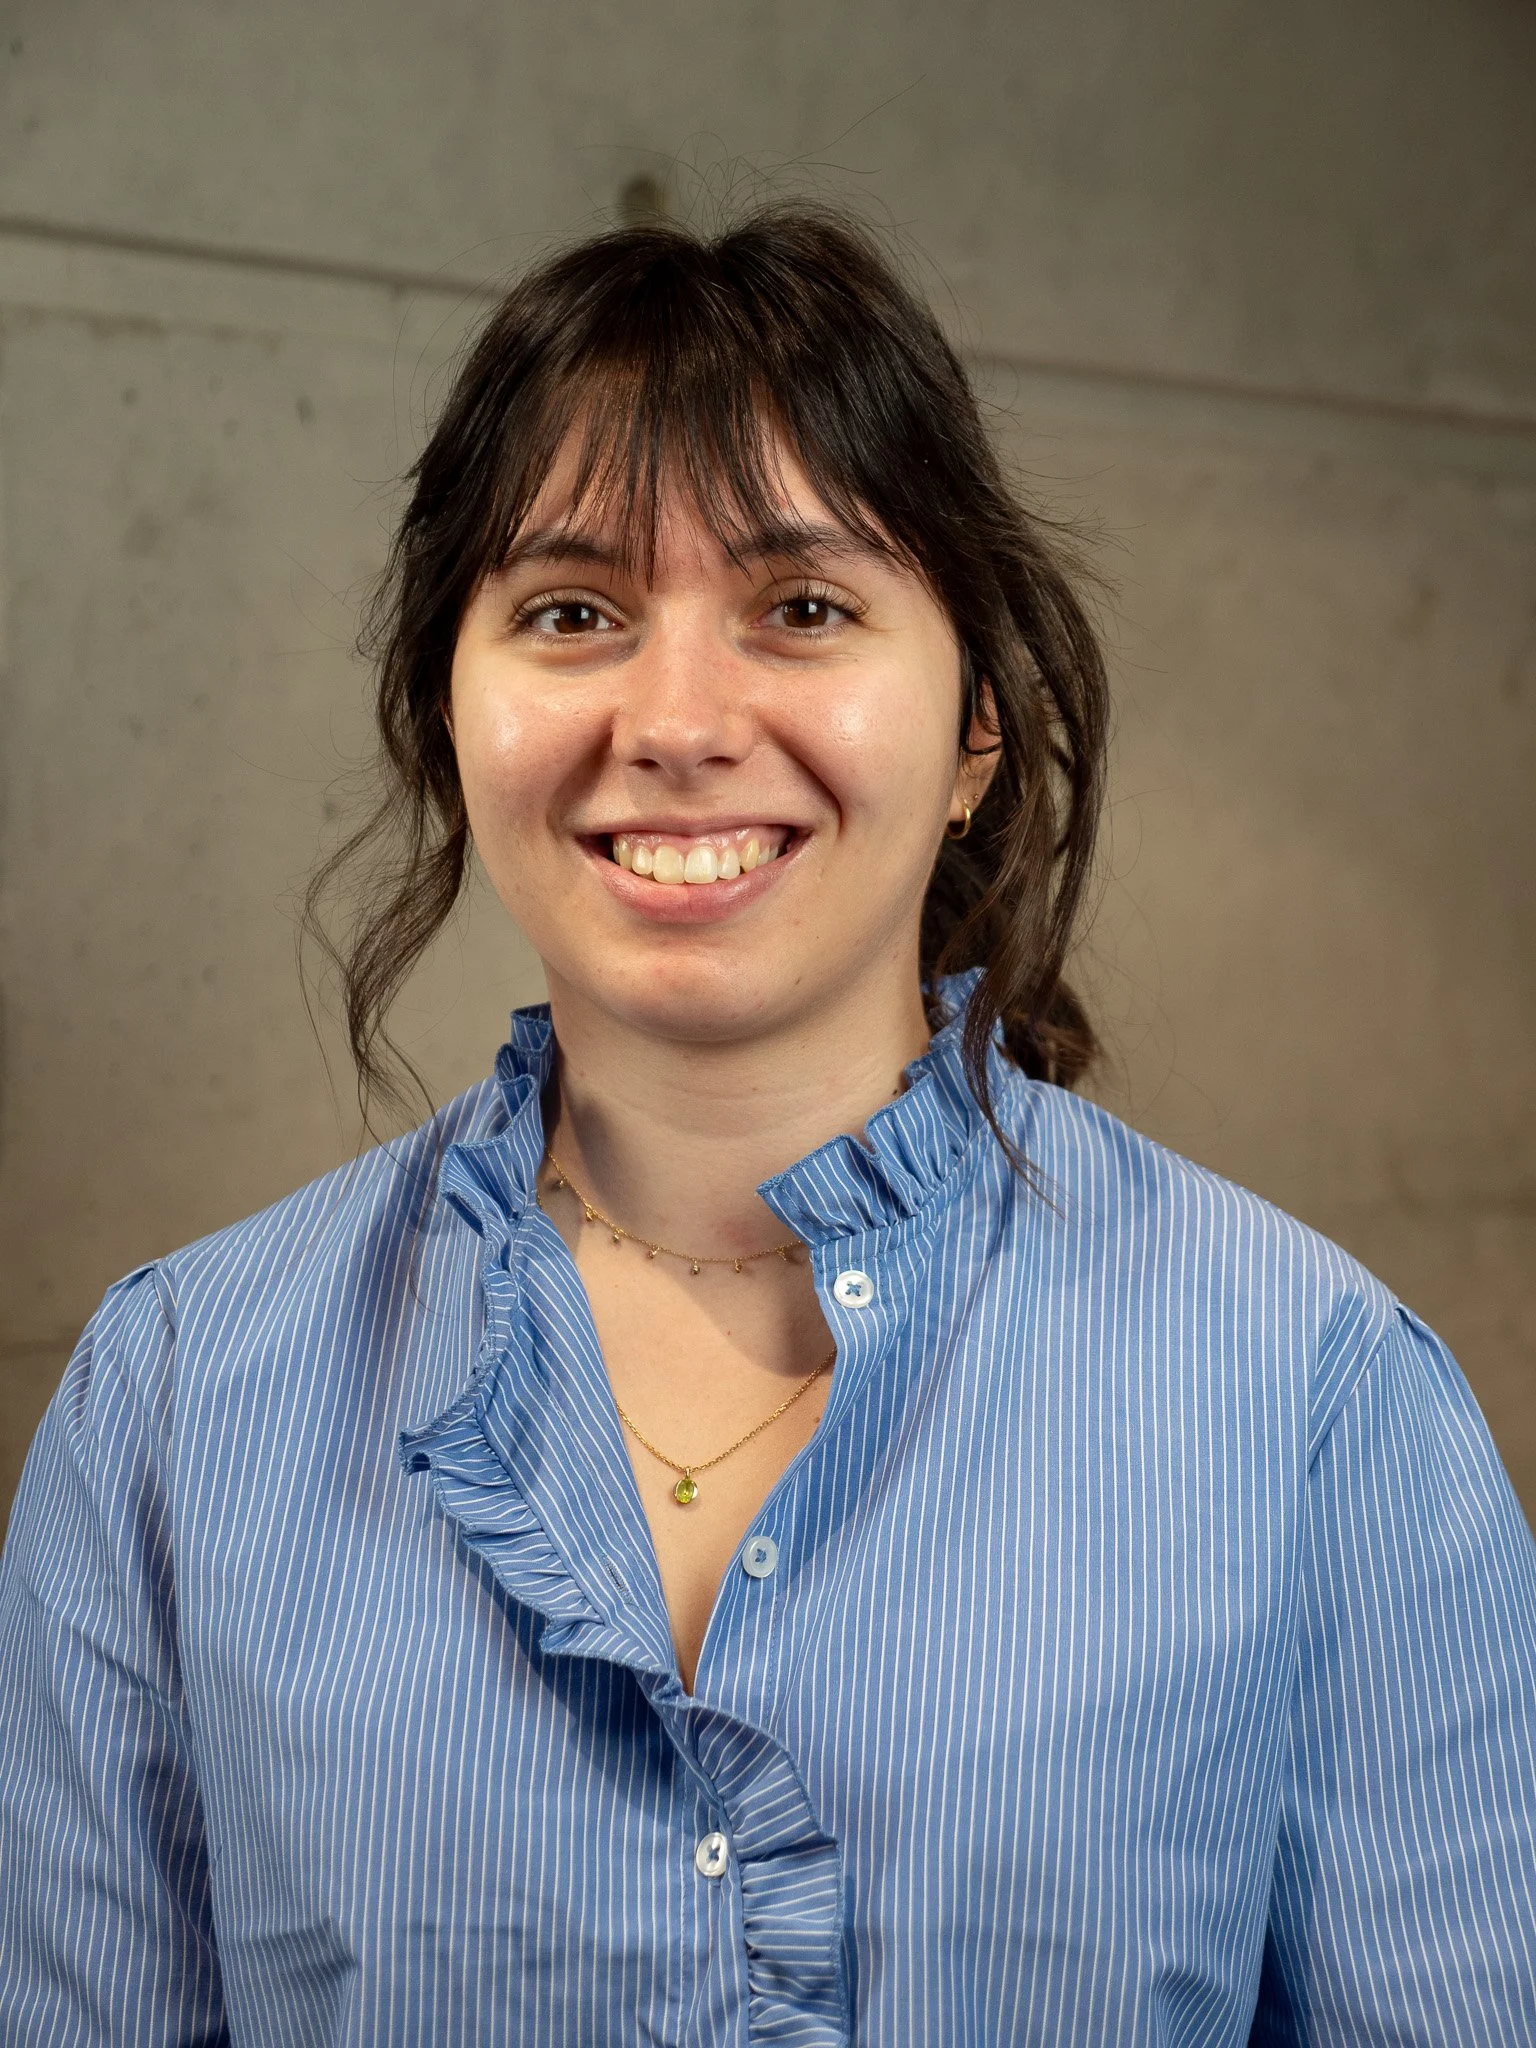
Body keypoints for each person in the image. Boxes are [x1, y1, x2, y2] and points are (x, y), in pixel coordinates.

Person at [1, 204, 1533, 2048]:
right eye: (573, 612)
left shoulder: (1318, 1400)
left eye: (803, 608)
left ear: (977, 724)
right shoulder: (176, 1402)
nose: (678, 720)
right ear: (447, 708)